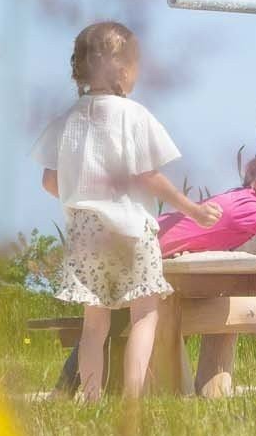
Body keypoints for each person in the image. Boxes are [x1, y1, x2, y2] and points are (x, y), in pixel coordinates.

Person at [53, 147, 256, 393]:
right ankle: (104, 392)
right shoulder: (250, 208)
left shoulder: (240, 201)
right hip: (134, 249)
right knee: (123, 319)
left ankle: (72, 389)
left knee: (103, 321)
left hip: (125, 243)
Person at [34, 21, 219, 400]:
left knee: (94, 324)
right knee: (144, 315)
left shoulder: (65, 119)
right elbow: (148, 176)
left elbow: (49, 183)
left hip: (85, 229)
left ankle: (90, 397)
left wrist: (82, 197)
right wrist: (192, 210)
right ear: (121, 69)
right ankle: (133, 397)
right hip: (131, 228)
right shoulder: (132, 116)